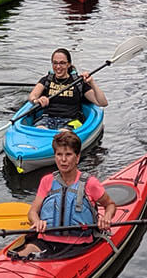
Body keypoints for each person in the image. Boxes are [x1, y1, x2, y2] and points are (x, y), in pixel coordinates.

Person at [9, 130, 117, 260]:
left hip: (79, 244)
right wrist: (36, 222)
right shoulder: (47, 181)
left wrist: (106, 217)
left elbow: (110, 205)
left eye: (68, 154)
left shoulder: (90, 183)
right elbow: (32, 212)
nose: (63, 160)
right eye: (59, 154)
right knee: (17, 256)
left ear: (77, 157)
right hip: (46, 241)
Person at [26, 47, 108, 129]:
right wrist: (37, 101)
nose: (58, 67)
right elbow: (32, 96)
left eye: (62, 63)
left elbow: (102, 103)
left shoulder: (78, 82)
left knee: (64, 135)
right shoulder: (47, 80)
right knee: (40, 129)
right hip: (48, 118)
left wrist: (91, 82)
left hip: (72, 120)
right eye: (55, 63)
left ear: (68, 64)